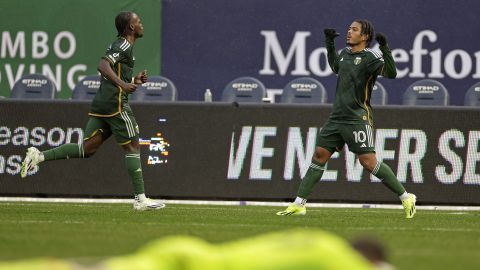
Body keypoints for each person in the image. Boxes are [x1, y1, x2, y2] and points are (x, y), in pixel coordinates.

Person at [20, 11, 164, 211]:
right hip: (116, 104)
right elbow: (103, 65)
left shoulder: (123, 46)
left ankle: (38, 156)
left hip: (102, 103)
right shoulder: (123, 44)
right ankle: (140, 200)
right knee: (133, 146)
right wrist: (123, 84)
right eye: (138, 21)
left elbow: (111, 73)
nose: (141, 24)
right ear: (131, 27)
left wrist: (133, 81)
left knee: (86, 149)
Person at [277, 19, 416, 218]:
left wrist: (385, 47)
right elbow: (335, 67)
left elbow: (392, 73)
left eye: (354, 29)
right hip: (337, 117)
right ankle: (299, 204)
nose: (349, 32)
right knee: (319, 155)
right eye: (349, 29)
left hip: (358, 118)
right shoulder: (344, 54)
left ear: (365, 36)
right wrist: (329, 43)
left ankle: (405, 197)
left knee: (368, 162)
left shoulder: (370, 57)